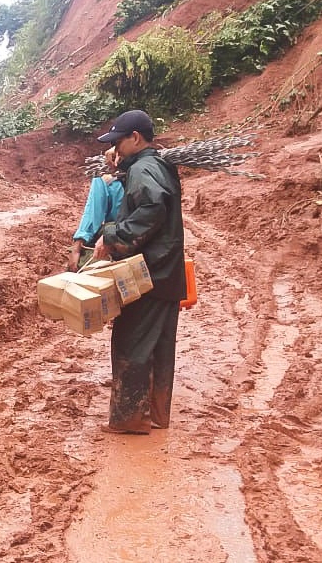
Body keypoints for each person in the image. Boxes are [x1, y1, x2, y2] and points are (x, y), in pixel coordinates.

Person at [92, 110, 186, 435]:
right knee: (159, 348)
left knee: (131, 341)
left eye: (118, 142)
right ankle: (157, 414)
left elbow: (152, 207)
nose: (114, 148)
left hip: (149, 275)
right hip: (166, 274)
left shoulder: (144, 168)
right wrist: (117, 168)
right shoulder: (153, 164)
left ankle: (131, 418)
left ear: (135, 138)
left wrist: (113, 235)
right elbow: (145, 193)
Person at [67, 146, 125, 272]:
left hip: (124, 235)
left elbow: (93, 212)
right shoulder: (153, 169)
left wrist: (77, 246)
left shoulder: (106, 179)